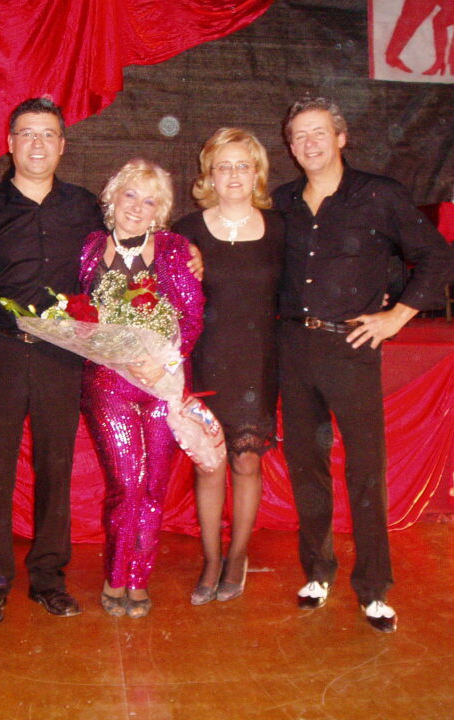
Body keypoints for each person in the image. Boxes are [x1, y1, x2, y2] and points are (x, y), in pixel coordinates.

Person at [272, 96, 452, 633]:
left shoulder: (380, 194)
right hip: (292, 350)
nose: (309, 143)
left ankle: (373, 588)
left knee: (366, 474)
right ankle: (318, 571)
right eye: (299, 135)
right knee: (307, 469)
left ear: (341, 137)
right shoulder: (279, 201)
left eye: (318, 132)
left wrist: (397, 316)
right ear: (290, 146)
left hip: (352, 349)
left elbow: (438, 256)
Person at [0, 97, 105, 629]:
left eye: (48, 134)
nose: (37, 143)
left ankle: (49, 580)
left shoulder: (86, 208)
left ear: (62, 145)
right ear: (9, 144)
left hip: (63, 355)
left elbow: (127, 262)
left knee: (57, 468)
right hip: (0, 354)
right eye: (27, 134)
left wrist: (181, 254)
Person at [79, 159, 204, 619]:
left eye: (150, 200)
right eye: (130, 195)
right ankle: (115, 574)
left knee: (153, 487)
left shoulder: (174, 249)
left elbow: (192, 318)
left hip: (162, 383)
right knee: (125, 484)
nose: (137, 206)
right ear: (112, 198)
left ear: (160, 211)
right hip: (108, 382)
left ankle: (138, 580)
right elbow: (76, 311)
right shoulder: (90, 249)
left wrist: (164, 363)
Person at [172, 128, 284, 605]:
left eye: (243, 165)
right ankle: (212, 558)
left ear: (256, 172)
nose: (234, 174)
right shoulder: (187, 230)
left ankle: (237, 555)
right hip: (206, 360)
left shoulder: (280, 228)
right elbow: (168, 299)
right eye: (224, 166)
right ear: (209, 176)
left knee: (246, 459)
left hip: (259, 360)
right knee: (209, 463)